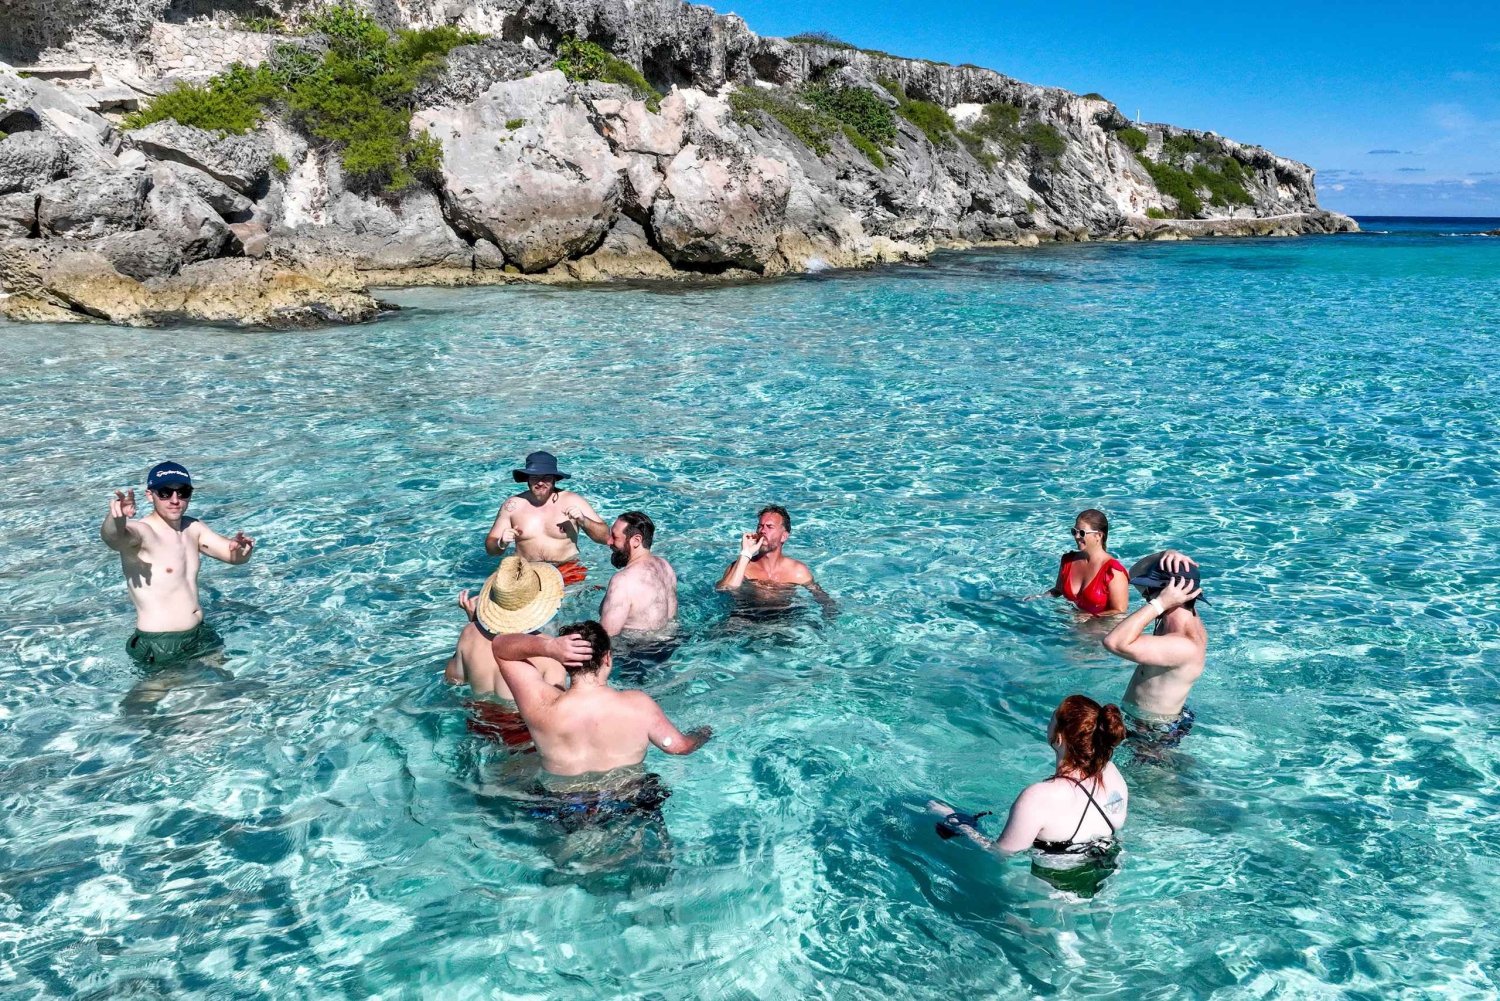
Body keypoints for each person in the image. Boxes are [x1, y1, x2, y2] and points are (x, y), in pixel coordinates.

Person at [496, 621, 711, 828]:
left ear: (564, 661)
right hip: (626, 801)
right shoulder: (638, 705)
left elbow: (499, 646)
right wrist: (703, 733)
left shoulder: (542, 706)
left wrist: (549, 646)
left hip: (563, 806)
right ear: (607, 658)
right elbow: (679, 747)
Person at [930, 694, 1129, 897]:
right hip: (1108, 876)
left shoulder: (1038, 798)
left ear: (1059, 738)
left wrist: (959, 823)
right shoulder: (1112, 774)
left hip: (1058, 890)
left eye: (1052, 718)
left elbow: (998, 854)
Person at [100, 462, 255, 666]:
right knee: (151, 695)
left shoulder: (193, 528)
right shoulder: (144, 532)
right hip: (162, 643)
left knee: (226, 688)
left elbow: (234, 557)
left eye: (182, 492)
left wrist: (243, 550)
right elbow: (114, 538)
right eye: (165, 493)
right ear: (150, 495)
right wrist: (116, 518)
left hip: (200, 633)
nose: (175, 500)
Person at [446, 556, 567, 748]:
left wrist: (474, 623)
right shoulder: (549, 652)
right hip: (522, 735)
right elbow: (557, 714)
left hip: (479, 725)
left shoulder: (469, 633)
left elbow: (454, 679)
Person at [1101, 552, 1208, 750]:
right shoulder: (1182, 618)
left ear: (1165, 593)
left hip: (1154, 735)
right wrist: (1164, 555)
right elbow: (1132, 574)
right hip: (1154, 721)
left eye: (1148, 592)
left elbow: (1113, 642)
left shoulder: (1184, 644)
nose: (1145, 596)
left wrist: (1159, 604)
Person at [485, 451, 607, 586]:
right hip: (527, 572)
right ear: (527, 478)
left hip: (567, 569)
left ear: (555, 478)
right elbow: (491, 549)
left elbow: (606, 537)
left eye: (547, 477)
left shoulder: (573, 500)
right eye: (535, 477)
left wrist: (584, 521)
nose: (540, 482)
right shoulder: (513, 505)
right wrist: (501, 543)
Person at [1033, 509, 1129, 616]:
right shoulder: (1067, 561)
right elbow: (1058, 590)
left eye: (1082, 533)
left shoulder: (1113, 571)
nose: (1076, 536)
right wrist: (1039, 597)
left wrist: (1088, 616)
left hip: (1100, 630)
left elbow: (1119, 612)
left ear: (1098, 535)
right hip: (1069, 624)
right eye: (1074, 531)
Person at [599, 511, 677, 636]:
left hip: (637, 651)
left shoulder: (622, 582)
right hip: (669, 644)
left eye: (615, 537)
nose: (609, 541)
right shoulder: (665, 566)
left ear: (636, 540)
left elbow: (605, 637)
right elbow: (671, 620)